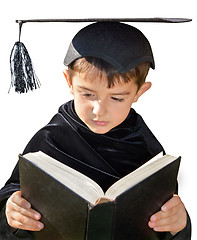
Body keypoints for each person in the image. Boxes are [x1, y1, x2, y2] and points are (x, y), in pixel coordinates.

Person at [0, 22, 191, 239]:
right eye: (88, 94)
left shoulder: (148, 151)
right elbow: (12, 197)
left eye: (117, 98)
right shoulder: (49, 141)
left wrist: (178, 225)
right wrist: (12, 211)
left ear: (140, 92)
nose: (99, 111)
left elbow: (166, 220)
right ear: (69, 82)